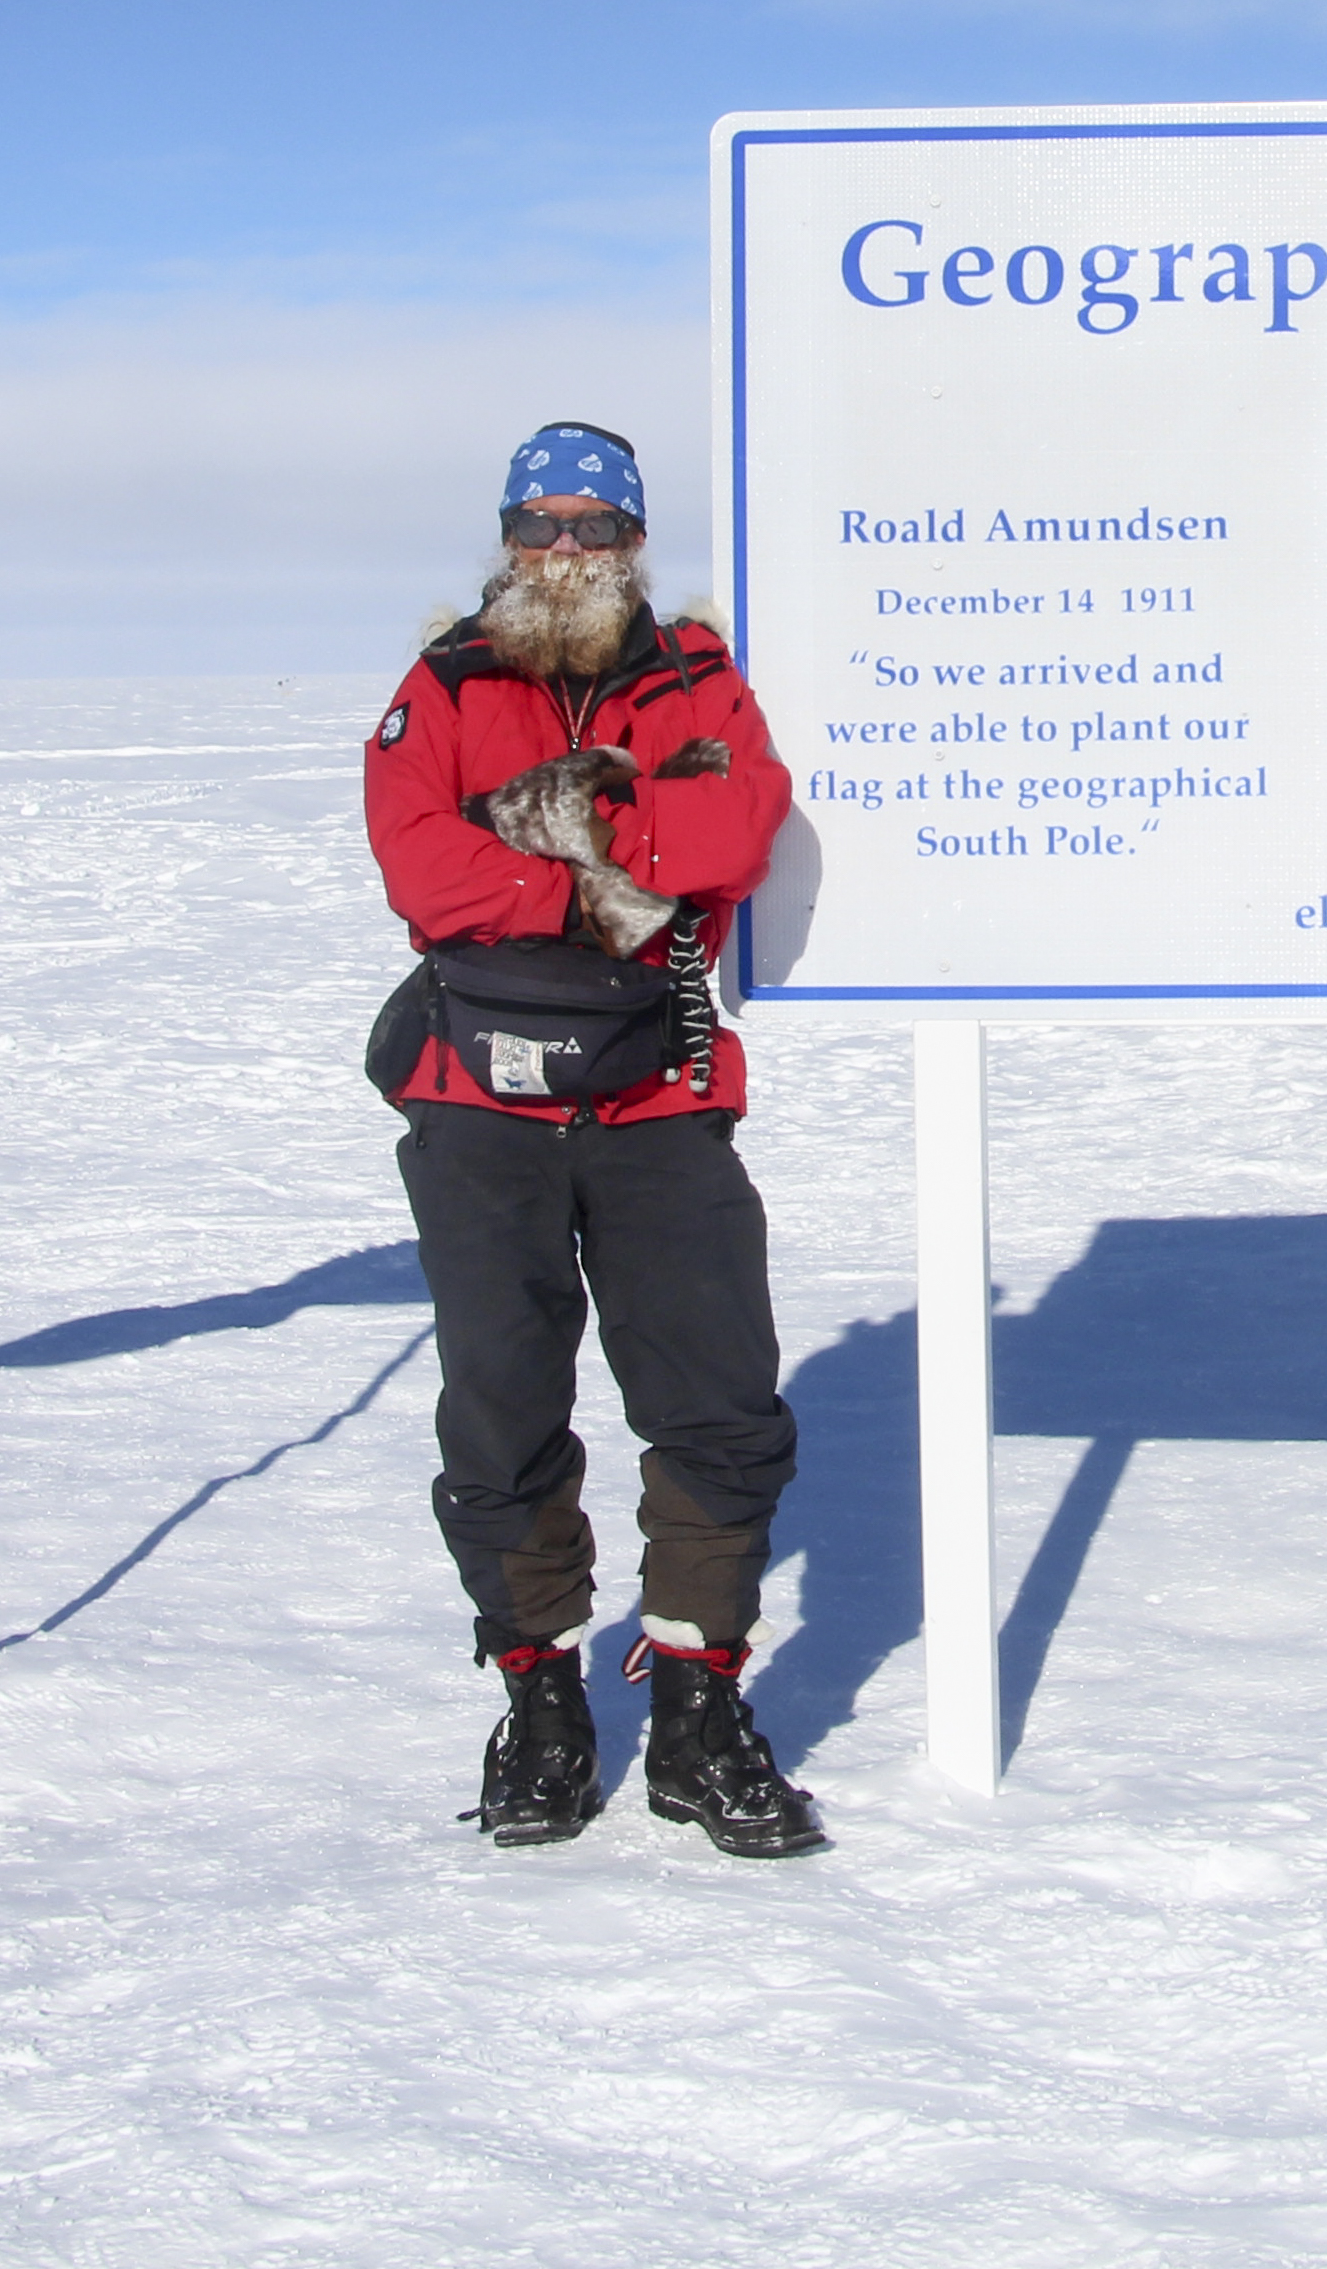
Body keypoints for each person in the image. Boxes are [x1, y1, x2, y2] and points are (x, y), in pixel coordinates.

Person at [360, 420, 826, 1858]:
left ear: (632, 541)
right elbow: (418, 863)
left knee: (718, 1402)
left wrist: (555, 832)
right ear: (508, 535)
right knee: (500, 1414)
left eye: (591, 527)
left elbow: (737, 824)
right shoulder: (443, 682)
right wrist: (585, 885)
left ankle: (696, 1700)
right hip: (477, 1105)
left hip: (661, 1097)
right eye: (539, 523)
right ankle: (540, 1698)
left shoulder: (695, 673)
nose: (563, 551)